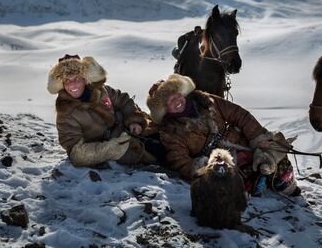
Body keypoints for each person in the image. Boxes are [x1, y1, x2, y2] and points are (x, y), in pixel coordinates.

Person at [146, 74, 301, 197]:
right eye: (170, 101)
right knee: (230, 179)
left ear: (183, 92)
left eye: (176, 95)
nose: (176, 101)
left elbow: (239, 114)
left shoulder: (208, 101)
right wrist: (203, 167)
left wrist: (258, 138)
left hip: (241, 141)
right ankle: (255, 183)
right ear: (165, 109)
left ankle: (285, 185)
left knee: (273, 150)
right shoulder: (171, 132)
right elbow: (179, 160)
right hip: (219, 159)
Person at [47, 54, 165, 167]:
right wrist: (109, 149)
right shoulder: (66, 113)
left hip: (132, 131)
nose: (72, 85)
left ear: (85, 79)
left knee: (163, 140)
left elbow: (123, 100)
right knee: (159, 160)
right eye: (67, 80)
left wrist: (134, 120)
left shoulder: (101, 90)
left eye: (77, 78)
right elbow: (76, 153)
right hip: (120, 148)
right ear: (62, 84)